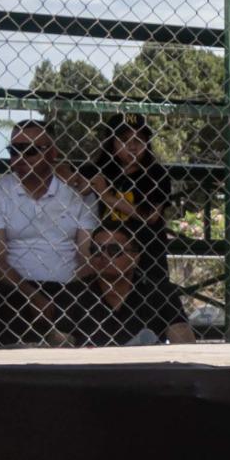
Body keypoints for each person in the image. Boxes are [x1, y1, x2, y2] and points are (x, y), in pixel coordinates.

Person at [0, 120, 96, 346]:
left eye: (30, 150)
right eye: (14, 150)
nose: (20, 157)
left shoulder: (78, 194)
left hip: (69, 287)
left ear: (51, 153)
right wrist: (31, 295)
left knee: (88, 301)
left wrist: (66, 296)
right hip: (13, 288)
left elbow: (86, 254)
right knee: (4, 303)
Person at [84, 115, 183, 321]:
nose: (133, 146)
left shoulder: (156, 174)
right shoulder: (102, 170)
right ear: (111, 143)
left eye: (140, 140)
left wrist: (107, 197)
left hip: (147, 250)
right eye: (125, 140)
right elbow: (67, 174)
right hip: (108, 252)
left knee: (150, 302)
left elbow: (151, 216)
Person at [63, 224, 195, 346]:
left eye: (114, 250)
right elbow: (61, 347)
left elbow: (184, 343)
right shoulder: (74, 293)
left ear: (135, 257)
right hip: (90, 368)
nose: (103, 255)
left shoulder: (160, 292)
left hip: (147, 368)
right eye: (96, 249)